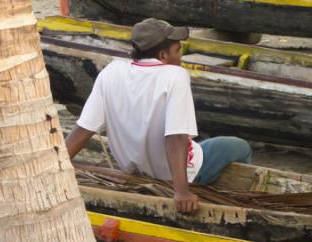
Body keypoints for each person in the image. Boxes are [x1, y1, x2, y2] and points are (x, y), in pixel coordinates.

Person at [64, 18, 252, 214]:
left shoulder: (111, 72)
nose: (180, 57)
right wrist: (181, 192)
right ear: (163, 55)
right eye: (178, 50)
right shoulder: (175, 76)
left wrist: (55, 167)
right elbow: (176, 136)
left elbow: (83, 129)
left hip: (134, 169)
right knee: (241, 147)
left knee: (204, 143)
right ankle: (233, 198)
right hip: (183, 174)